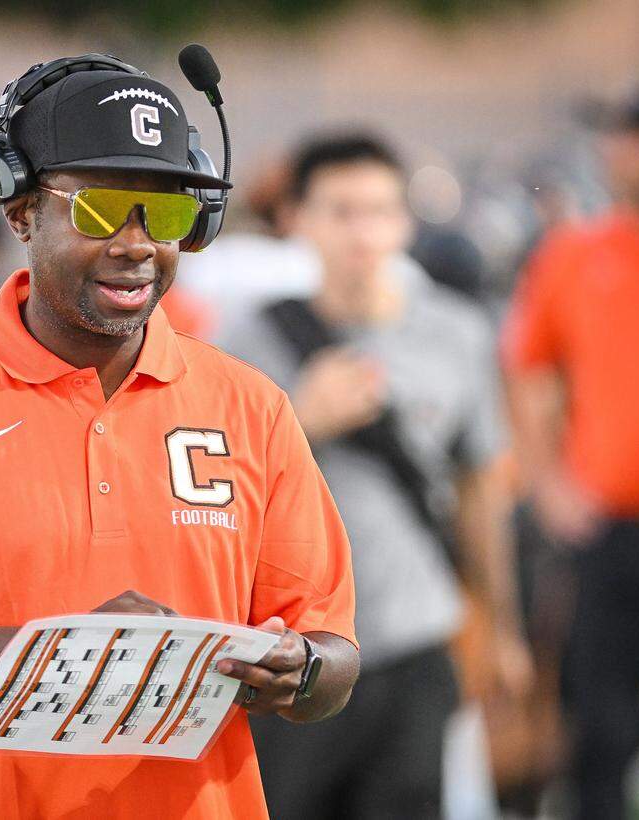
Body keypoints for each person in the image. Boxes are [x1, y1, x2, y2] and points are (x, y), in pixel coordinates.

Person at [0, 56, 361, 819]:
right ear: (20, 208)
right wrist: (63, 654)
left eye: (164, 215)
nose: (137, 244)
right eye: (101, 211)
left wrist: (298, 671)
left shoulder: (251, 406)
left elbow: (332, 654)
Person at [222, 133, 531, 819]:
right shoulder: (248, 341)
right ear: (296, 219)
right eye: (341, 210)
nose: (363, 231)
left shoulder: (457, 333)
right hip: (289, 651)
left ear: (405, 221)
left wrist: (505, 629)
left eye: (380, 210)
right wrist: (301, 418)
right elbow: (211, 495)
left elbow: (481, 490)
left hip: (414, 639)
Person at [503, 83, 639, 820]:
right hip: (611, 532)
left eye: (628, 138)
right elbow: (530, 371)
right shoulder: (577, 254)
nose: (613, 154)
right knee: (601, 729)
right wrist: (548, 482)